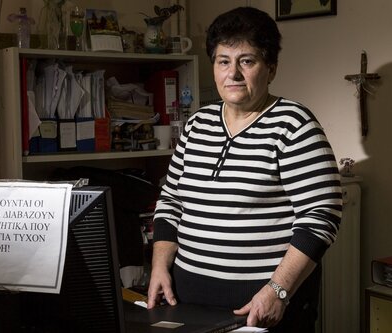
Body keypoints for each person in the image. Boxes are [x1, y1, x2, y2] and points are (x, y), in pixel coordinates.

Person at [146, 7, 343, 332]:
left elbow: (322, 216)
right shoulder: (196, 125)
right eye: (223, 61)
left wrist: (278, 291)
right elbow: (170, 204)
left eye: (247, 61)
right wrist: (159, 267)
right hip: (187, 302)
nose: (233, 74)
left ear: (271, 68)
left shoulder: (293, 125)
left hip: (260, 307)